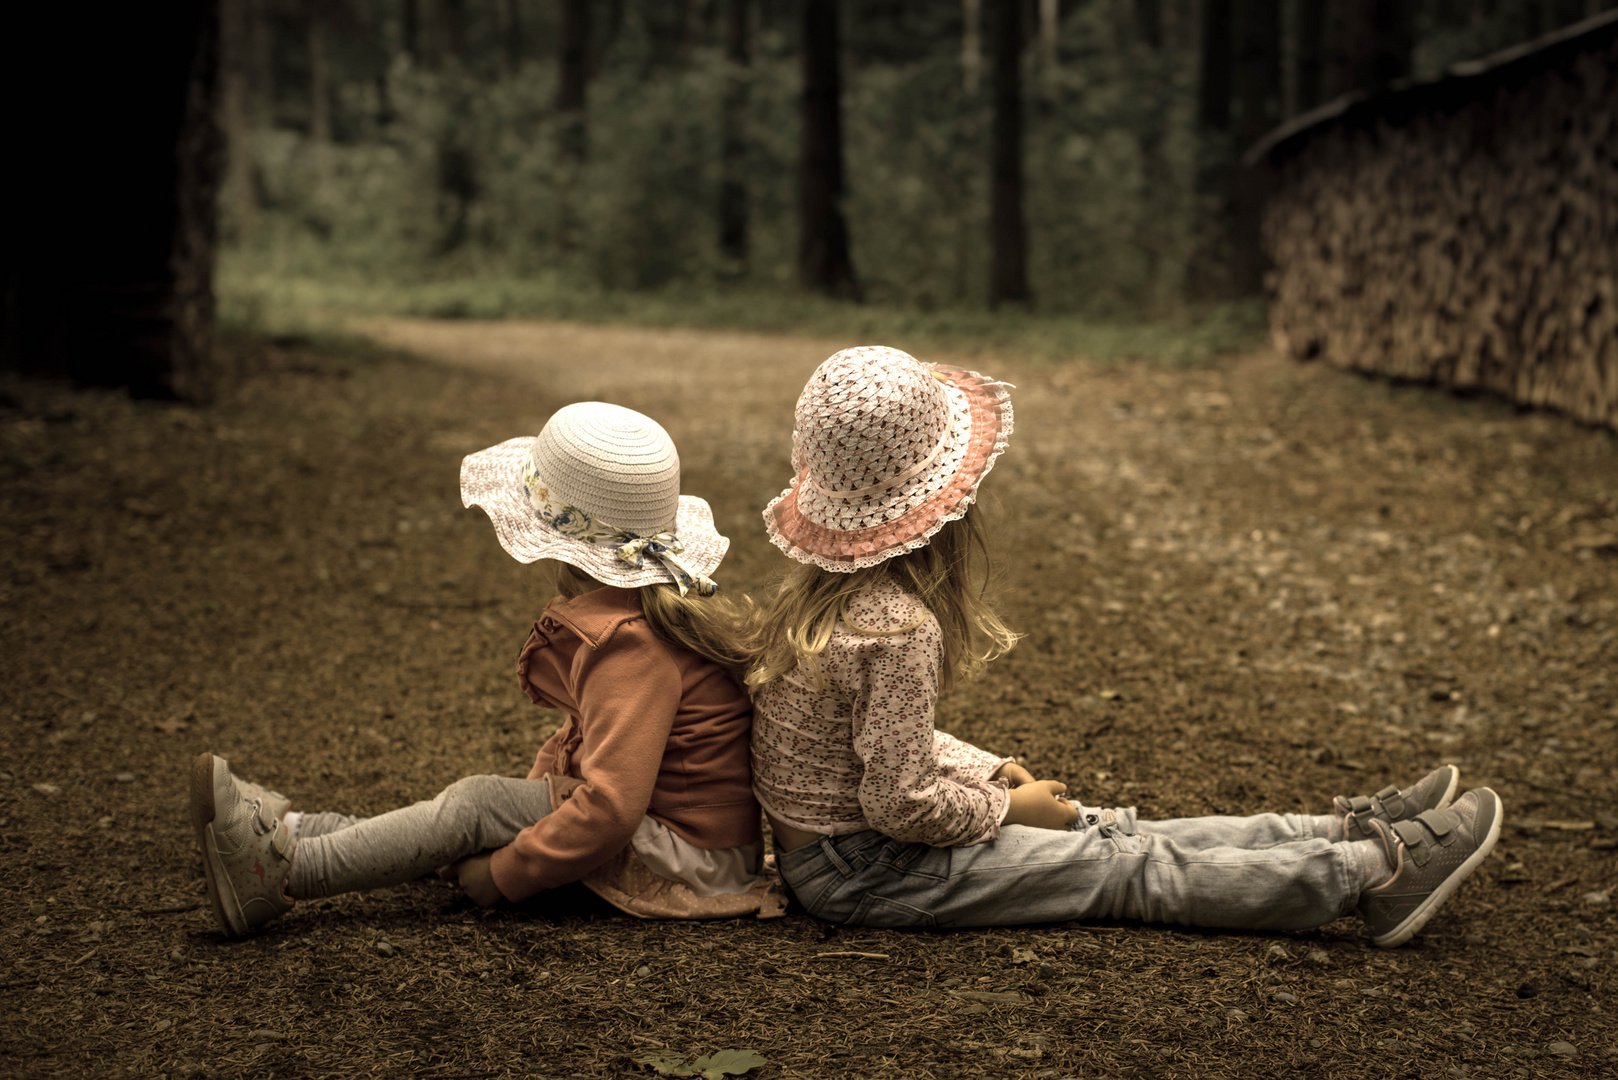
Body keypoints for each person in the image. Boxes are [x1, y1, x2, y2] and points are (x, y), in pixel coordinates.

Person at [743, 345, 1501, 946]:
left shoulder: (816, 601)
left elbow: (876, 740)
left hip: (839, 858)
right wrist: (1004, 810)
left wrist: (985, 769)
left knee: (1112, 827)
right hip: (872, 873)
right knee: (1122, 864)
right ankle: (1372, 873)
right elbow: (897, 799)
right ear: (945, 506)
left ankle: (1334, 832)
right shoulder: (899, 628)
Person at [190, 401, 781, 938]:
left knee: (474, 807)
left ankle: (285, 872)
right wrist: (521, 814)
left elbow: (612, 808)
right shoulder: (639, 618)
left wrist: (506, 872)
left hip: (689, 858)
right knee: (473, 814)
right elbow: (584, 747)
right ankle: (298, 829)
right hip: (685, 842)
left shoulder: (634, 649)